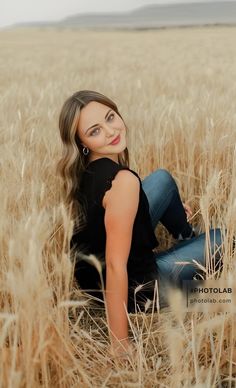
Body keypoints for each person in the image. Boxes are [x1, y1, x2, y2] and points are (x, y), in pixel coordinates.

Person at [57, 89, 224, 359]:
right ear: (83, 142)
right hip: (139, 287)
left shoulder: (88, 169)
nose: (111, 131)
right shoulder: (123, 183)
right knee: (224, 239)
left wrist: (146, 209)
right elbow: (115, 265)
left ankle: (186, 236)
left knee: (161, 179)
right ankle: (192, 256)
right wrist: (120, 344)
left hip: (89, 278)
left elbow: (108, 219)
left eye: (110, 117)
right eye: (95, 130)